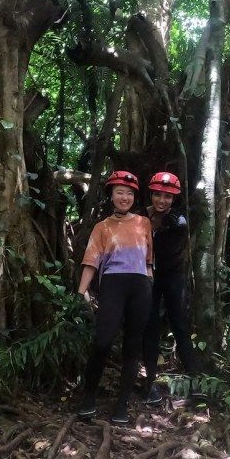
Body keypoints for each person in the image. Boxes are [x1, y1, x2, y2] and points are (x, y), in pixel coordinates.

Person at [77, 171, 153, 424]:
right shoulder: (102, 227)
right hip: (113, 283)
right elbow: (91, 261)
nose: (125, 197)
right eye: (120, 192)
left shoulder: (144, 223)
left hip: (140, 286)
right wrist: (81, 292)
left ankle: (122, 405)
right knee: (102, 341)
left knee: (133, 347)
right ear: (110, 195)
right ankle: (88, 397)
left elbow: (149, 261)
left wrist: (149, 283)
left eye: (130, 193)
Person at [142, 172, 202, 405]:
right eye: (158, 195)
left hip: (171, 277)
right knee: (150, 327)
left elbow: (165, 251)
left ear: (174, 198)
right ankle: (150, 385)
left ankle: (196, 384)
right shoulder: (140, 217)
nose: (162, 200)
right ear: (151, 194)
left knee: (179, 325)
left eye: (167, 196)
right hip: (147, 278)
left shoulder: (178, 221)